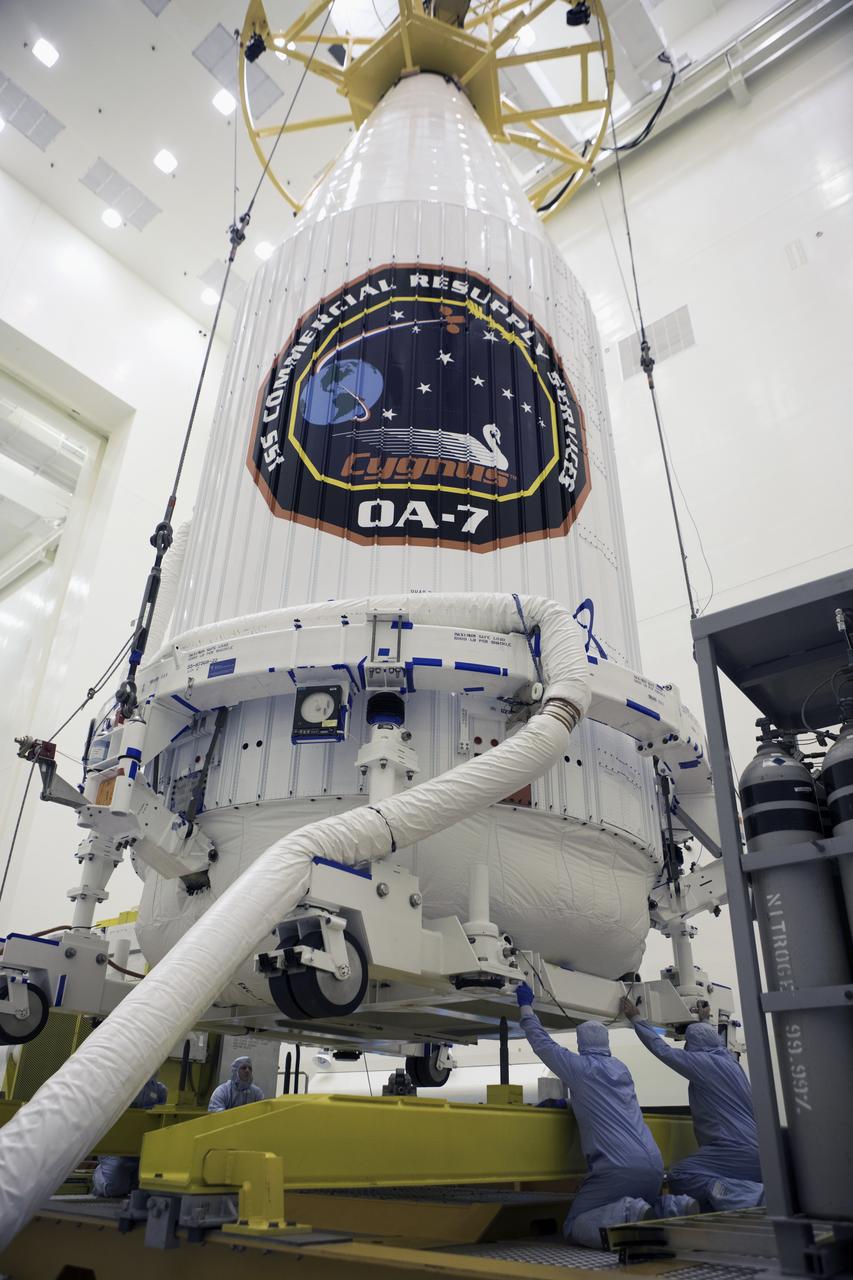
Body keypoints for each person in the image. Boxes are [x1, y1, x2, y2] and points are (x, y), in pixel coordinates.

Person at [516, 983, 695, 1248]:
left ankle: (630, 1213)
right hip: (653, 1166)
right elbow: (606, 1103)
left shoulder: (580, 1068)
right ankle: (674, 1207)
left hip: (616, 1169)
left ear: (581, 1043)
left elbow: (542, 1044)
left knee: (574, 1223)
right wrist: (568, 1103)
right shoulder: (621, 1070)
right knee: (645, 1205)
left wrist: (526, 1007)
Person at [620, 996, 764, 1211]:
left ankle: (754, 1197)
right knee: (706, 1184)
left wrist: (636, 1018)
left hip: (732, 1149)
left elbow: (662, 1050)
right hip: (756, 1151)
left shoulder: (702, 1063)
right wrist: (704, 1022)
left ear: (693, 1045)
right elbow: (710, 1041)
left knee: (681, 1175)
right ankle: (739, 1197)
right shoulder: (729, 1060)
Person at [91, 1075, 168, 1198]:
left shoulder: (160, 1091)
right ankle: (99, 1175)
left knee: (143, 1189)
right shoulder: (118, 1086)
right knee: (113, 1189)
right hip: (117, 1148)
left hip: (143, 1149)